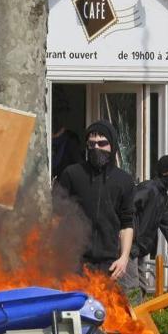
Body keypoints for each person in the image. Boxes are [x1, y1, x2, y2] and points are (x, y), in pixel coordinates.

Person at [57, 120, 136, 289]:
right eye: (91, 144)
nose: (96, 148)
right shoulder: (72, 174)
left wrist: (124, 258)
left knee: (106, 312)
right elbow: (57, 216)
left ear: (112, 145)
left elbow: (127, 223)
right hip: (75, 262)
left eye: (102, 143)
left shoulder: (124, 180)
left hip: (108, 264)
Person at [127, 155, 168, 297]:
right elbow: (127, 210)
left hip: (139, 249)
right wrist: (130, 236)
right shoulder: (147, 189)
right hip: (129, 247)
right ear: (167, 174)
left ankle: (140, 317)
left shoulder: (163, 198)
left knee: (141, 288)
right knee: (132, 289)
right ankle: (130, 318)